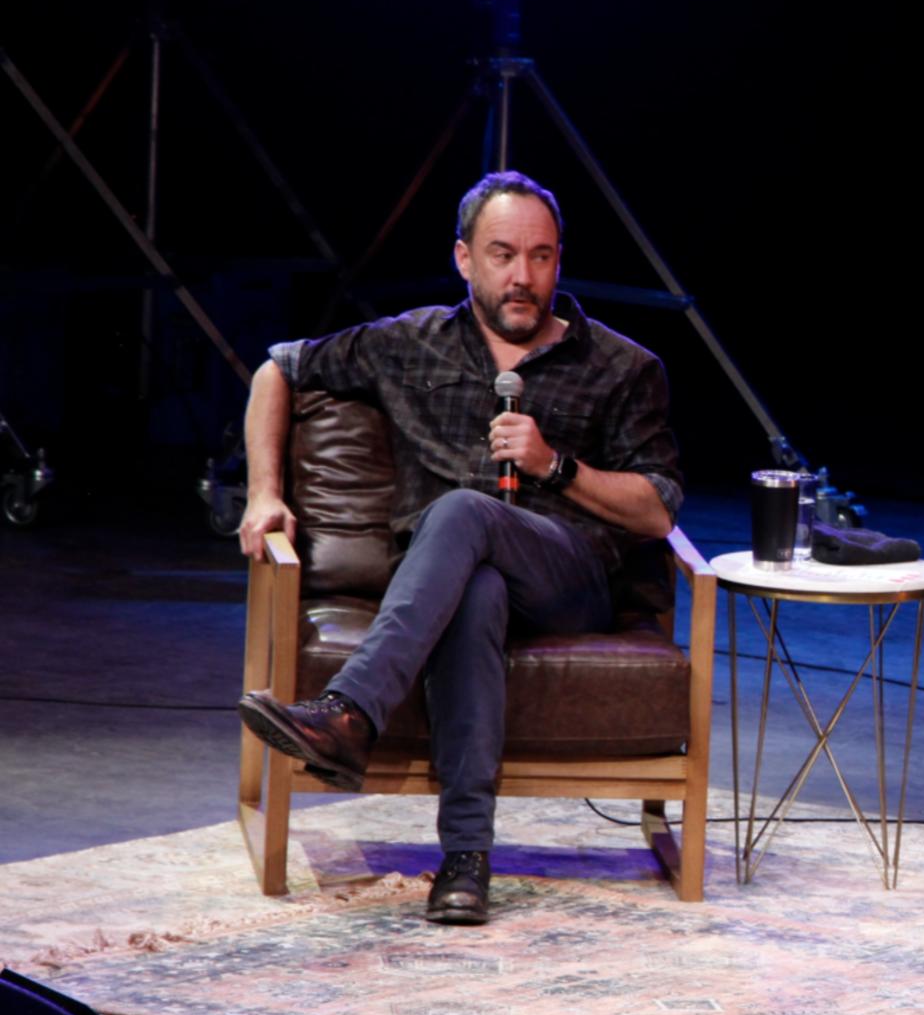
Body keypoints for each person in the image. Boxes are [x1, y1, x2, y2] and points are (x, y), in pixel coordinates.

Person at [235, 171, 682, 925]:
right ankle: (466, 863)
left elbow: (658, 511)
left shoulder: (621, 367)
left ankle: (350, 712)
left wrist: (554, 465)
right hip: (444, 585)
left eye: (540, 257)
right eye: (503, 255)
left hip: (567, 578)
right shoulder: (409, 344)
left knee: (467, 513)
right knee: (475, 588)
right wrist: (262, 492)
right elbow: (278, 368)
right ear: (463, 258)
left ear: (558, 262)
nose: (522, 277)